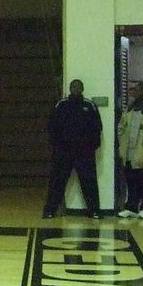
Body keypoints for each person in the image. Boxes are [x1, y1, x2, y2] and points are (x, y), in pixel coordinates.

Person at [42, 78, 102, 219]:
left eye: (78, 87)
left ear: (82, 88)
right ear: (70, 89)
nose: (75, 89)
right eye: (73, 87)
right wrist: (57, 146)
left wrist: (91, 146)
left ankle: (94, 211)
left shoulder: (90, 106)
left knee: (89, 181)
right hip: (64, 152)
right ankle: (50, 210)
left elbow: (97, 128)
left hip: (84, 152)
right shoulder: (61, 105)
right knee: (57, 181)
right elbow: (52, 126)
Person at [117, 81, 143, 219]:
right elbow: (121, 127)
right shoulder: (130, 109)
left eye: (138, 90)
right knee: (131, 180)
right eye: (133, 90)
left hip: (142, 153)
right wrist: (121, 141)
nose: (134, 93)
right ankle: (132, 207)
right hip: (128, 152)